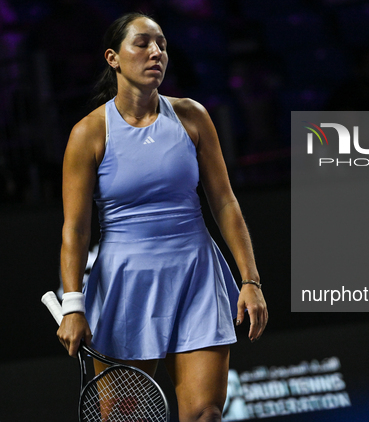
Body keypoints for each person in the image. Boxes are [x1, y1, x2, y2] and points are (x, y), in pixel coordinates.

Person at [56, 12, 268, 422]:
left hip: (197, 277)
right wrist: (73, 303)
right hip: (125, 285)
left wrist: (250, 279)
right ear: (113, 58)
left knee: (206, 413)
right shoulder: (88, 133)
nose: (156, 52)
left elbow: (224, 202)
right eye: (143, 43)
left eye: (162, 44)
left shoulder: (192, 116)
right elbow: (76, 228)